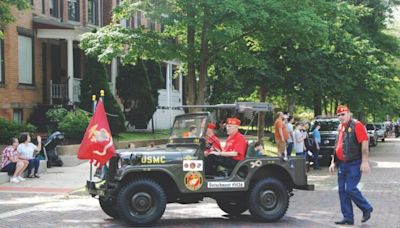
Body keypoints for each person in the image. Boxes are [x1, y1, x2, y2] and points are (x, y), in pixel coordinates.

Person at [329, 105, 373, 225]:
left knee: (350, 189)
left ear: (349, 114)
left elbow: (364, 143)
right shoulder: (340, 127)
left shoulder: (357, 125)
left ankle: (366, 208)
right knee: (342, 191)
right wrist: (333, 162)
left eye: (343, 114)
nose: (340, 117)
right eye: (338, 115)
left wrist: (365, 161)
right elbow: (337, 145)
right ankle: (348, 217)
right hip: (342, 164)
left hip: (354, 163)